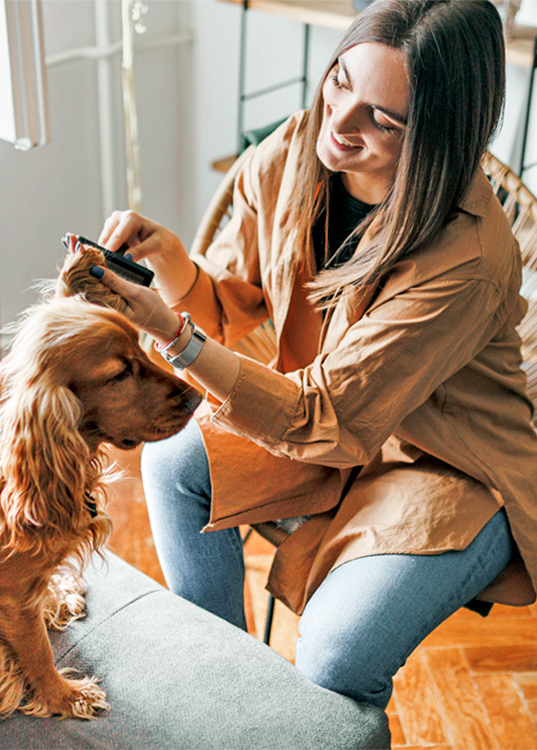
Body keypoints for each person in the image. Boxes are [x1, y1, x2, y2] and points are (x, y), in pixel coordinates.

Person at [68, 0, 537, 710]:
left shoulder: (466, 255)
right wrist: (169, 261)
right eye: (341, 80)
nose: (340, 123)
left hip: (450, 465)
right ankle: (227, 698)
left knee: (334, 655)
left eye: (383, 119)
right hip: (327, 422)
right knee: (173, 462)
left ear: (438, 135)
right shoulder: (292, 152)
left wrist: (172, 334)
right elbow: (237, 308)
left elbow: (325, 410)